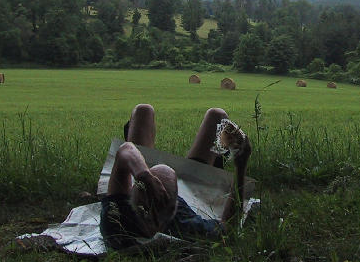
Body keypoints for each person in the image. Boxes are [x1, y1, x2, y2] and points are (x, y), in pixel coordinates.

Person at [100, 104, 252, 249]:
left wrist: (145, 176)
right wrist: (241, 164)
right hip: (187, 183)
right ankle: (217, 159)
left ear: (133, 192)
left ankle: (148, 169)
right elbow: (229, 227)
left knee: (143, 110)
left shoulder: (118, 219)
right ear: (177, 204)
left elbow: (126, 149)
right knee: (218, 115)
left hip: (140, 169)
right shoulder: (184, 224)